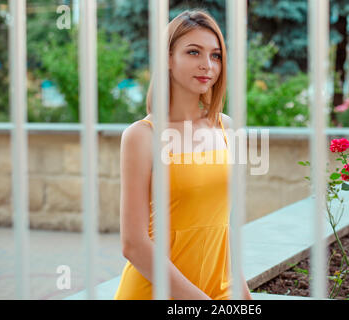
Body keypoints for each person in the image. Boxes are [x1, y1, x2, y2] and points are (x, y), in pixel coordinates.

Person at [114, 9, 253, 300]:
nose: (207, 65)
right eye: (193, 52)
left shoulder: (226, 127)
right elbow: (133, 244)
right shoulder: (142, 136)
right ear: (167, 58)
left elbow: (224, 228)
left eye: (215, 55)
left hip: (220, 290)